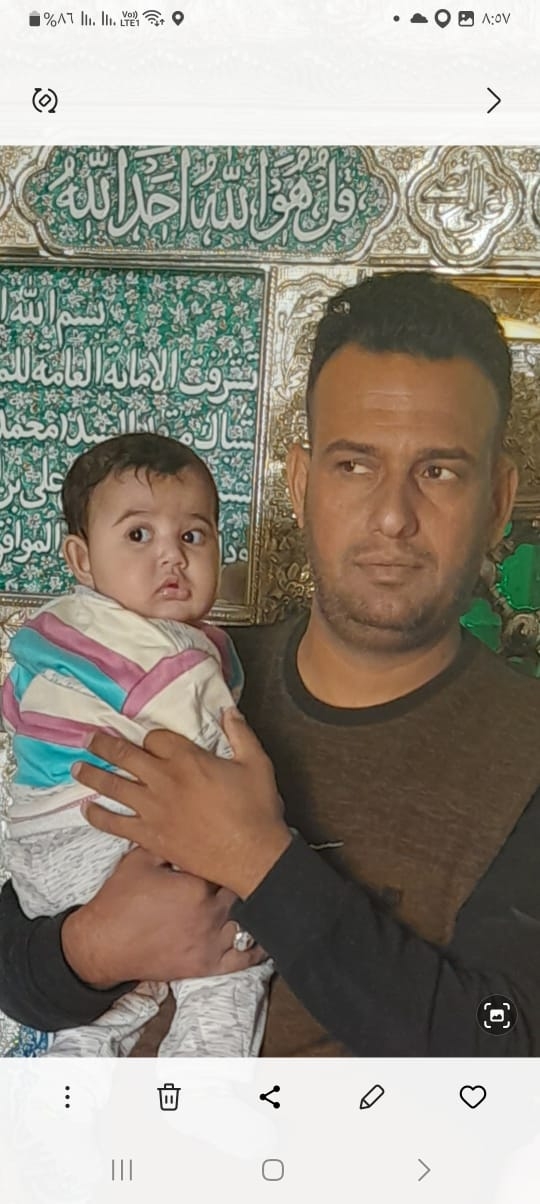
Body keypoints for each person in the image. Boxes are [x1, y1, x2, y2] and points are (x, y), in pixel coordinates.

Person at [2, 270, 540, 1058]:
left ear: (496, 501)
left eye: (439, 471)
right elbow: (17, 954)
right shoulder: (187, 675)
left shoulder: (526, 751)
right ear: (301, 482)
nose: (394, 516)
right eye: (355, 465)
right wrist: (95, 948)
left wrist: (258, 860)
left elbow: (506, 1045)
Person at [0, 432, 272, 1056]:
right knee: (235, 950)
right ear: (81, 558)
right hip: (99, 840)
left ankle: (64, 1090)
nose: (172, 556)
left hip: (37, 861)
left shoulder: (54, 636)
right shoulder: (169, 654)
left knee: (112, 1006)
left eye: (193, 536)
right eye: (139, 535)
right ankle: (204, 1080)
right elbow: (217, 771)